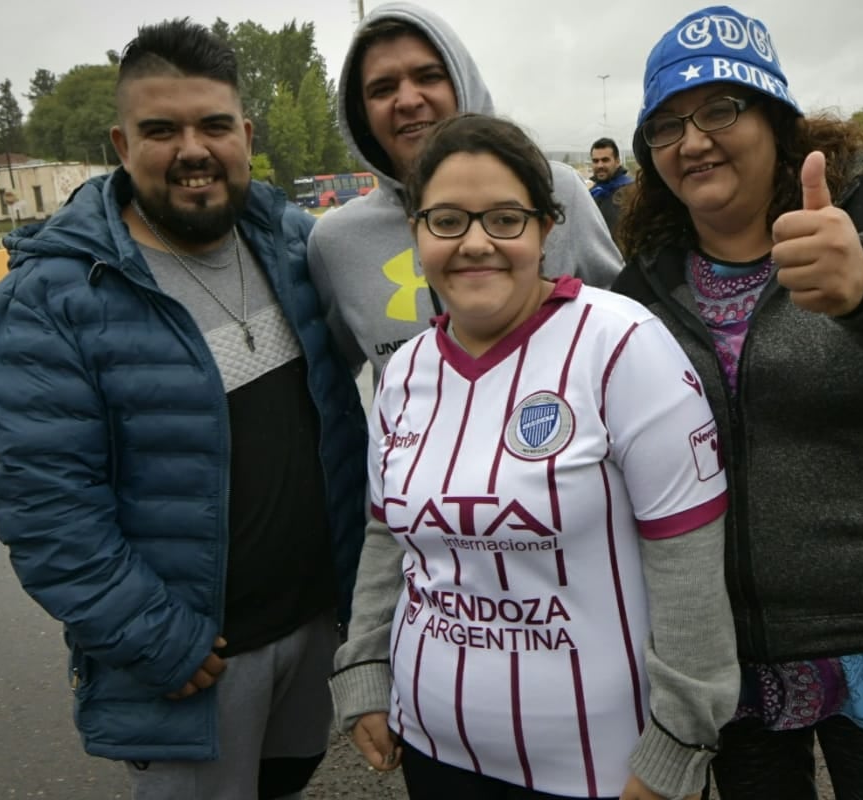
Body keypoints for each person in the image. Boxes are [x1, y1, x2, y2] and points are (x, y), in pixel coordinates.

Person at [612, 6, 863, 799]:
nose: (692, 140)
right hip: (728, 663)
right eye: (665, 125)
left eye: (718, 109)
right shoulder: (645, 279)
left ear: (775, 117)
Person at [0, 19, 367, 800]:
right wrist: (160, 641)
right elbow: (44, 508)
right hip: (197, 664)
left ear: (245, 136)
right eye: (161, 129)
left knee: (288, 783)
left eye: (214, 125)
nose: (193, 149)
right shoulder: (53, 296)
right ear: (121, 146)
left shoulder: (292, 243)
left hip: (315, 628)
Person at [329, 113, 739, 800]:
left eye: (506, 219)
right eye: (448, 220)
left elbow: (689, 568)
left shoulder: (622, 346)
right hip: (432, 751)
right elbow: (384, 536)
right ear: (417, 234)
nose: (476, 243)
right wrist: (365, 665)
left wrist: (678, 745)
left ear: (549, 228)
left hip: (600, 771)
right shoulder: (404, 372)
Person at [308, 2, 623, 378]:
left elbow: (623, 329)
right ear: (361, 113)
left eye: (428, 76)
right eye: (382, 88)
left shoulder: (558, 191)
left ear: (463, 82)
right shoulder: (335, 241)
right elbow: (333, 386)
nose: (408, 100)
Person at [588, 137, 633, 234]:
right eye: (595, 161)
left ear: (617, 162)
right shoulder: (591, 194)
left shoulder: (632, 192)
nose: (600, 165)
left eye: (605, 160)